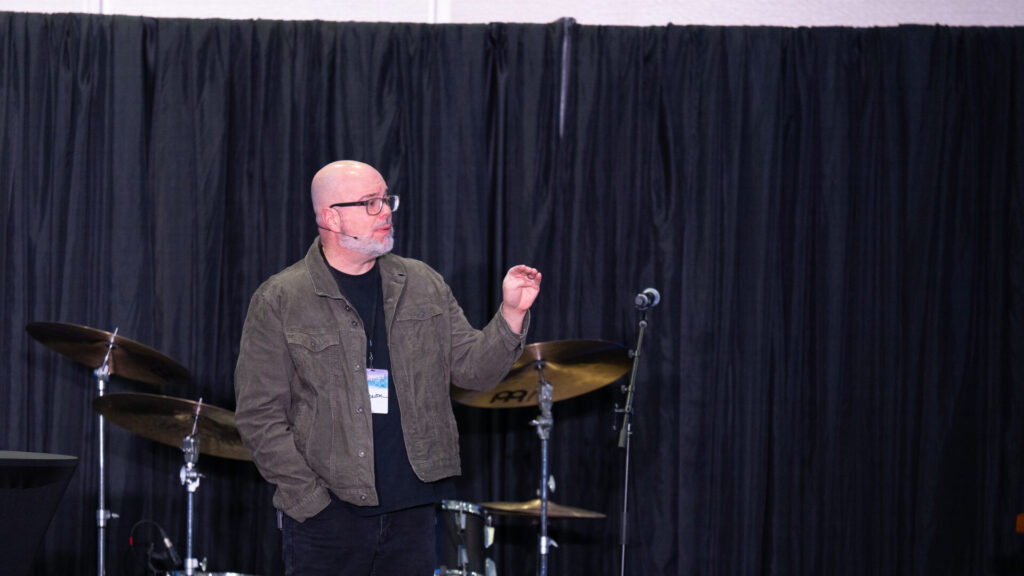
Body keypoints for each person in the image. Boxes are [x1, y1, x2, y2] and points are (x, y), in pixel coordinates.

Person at [234, 160, 541, 575]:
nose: (385, 212)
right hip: (327, 518)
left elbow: (473, 370)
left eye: (386, 199)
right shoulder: (281, 299)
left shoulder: (422, 282)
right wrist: (310, 500)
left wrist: (511, 314)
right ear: (331, 217)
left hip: (412, 512)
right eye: (370, 203)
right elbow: (258, 416)